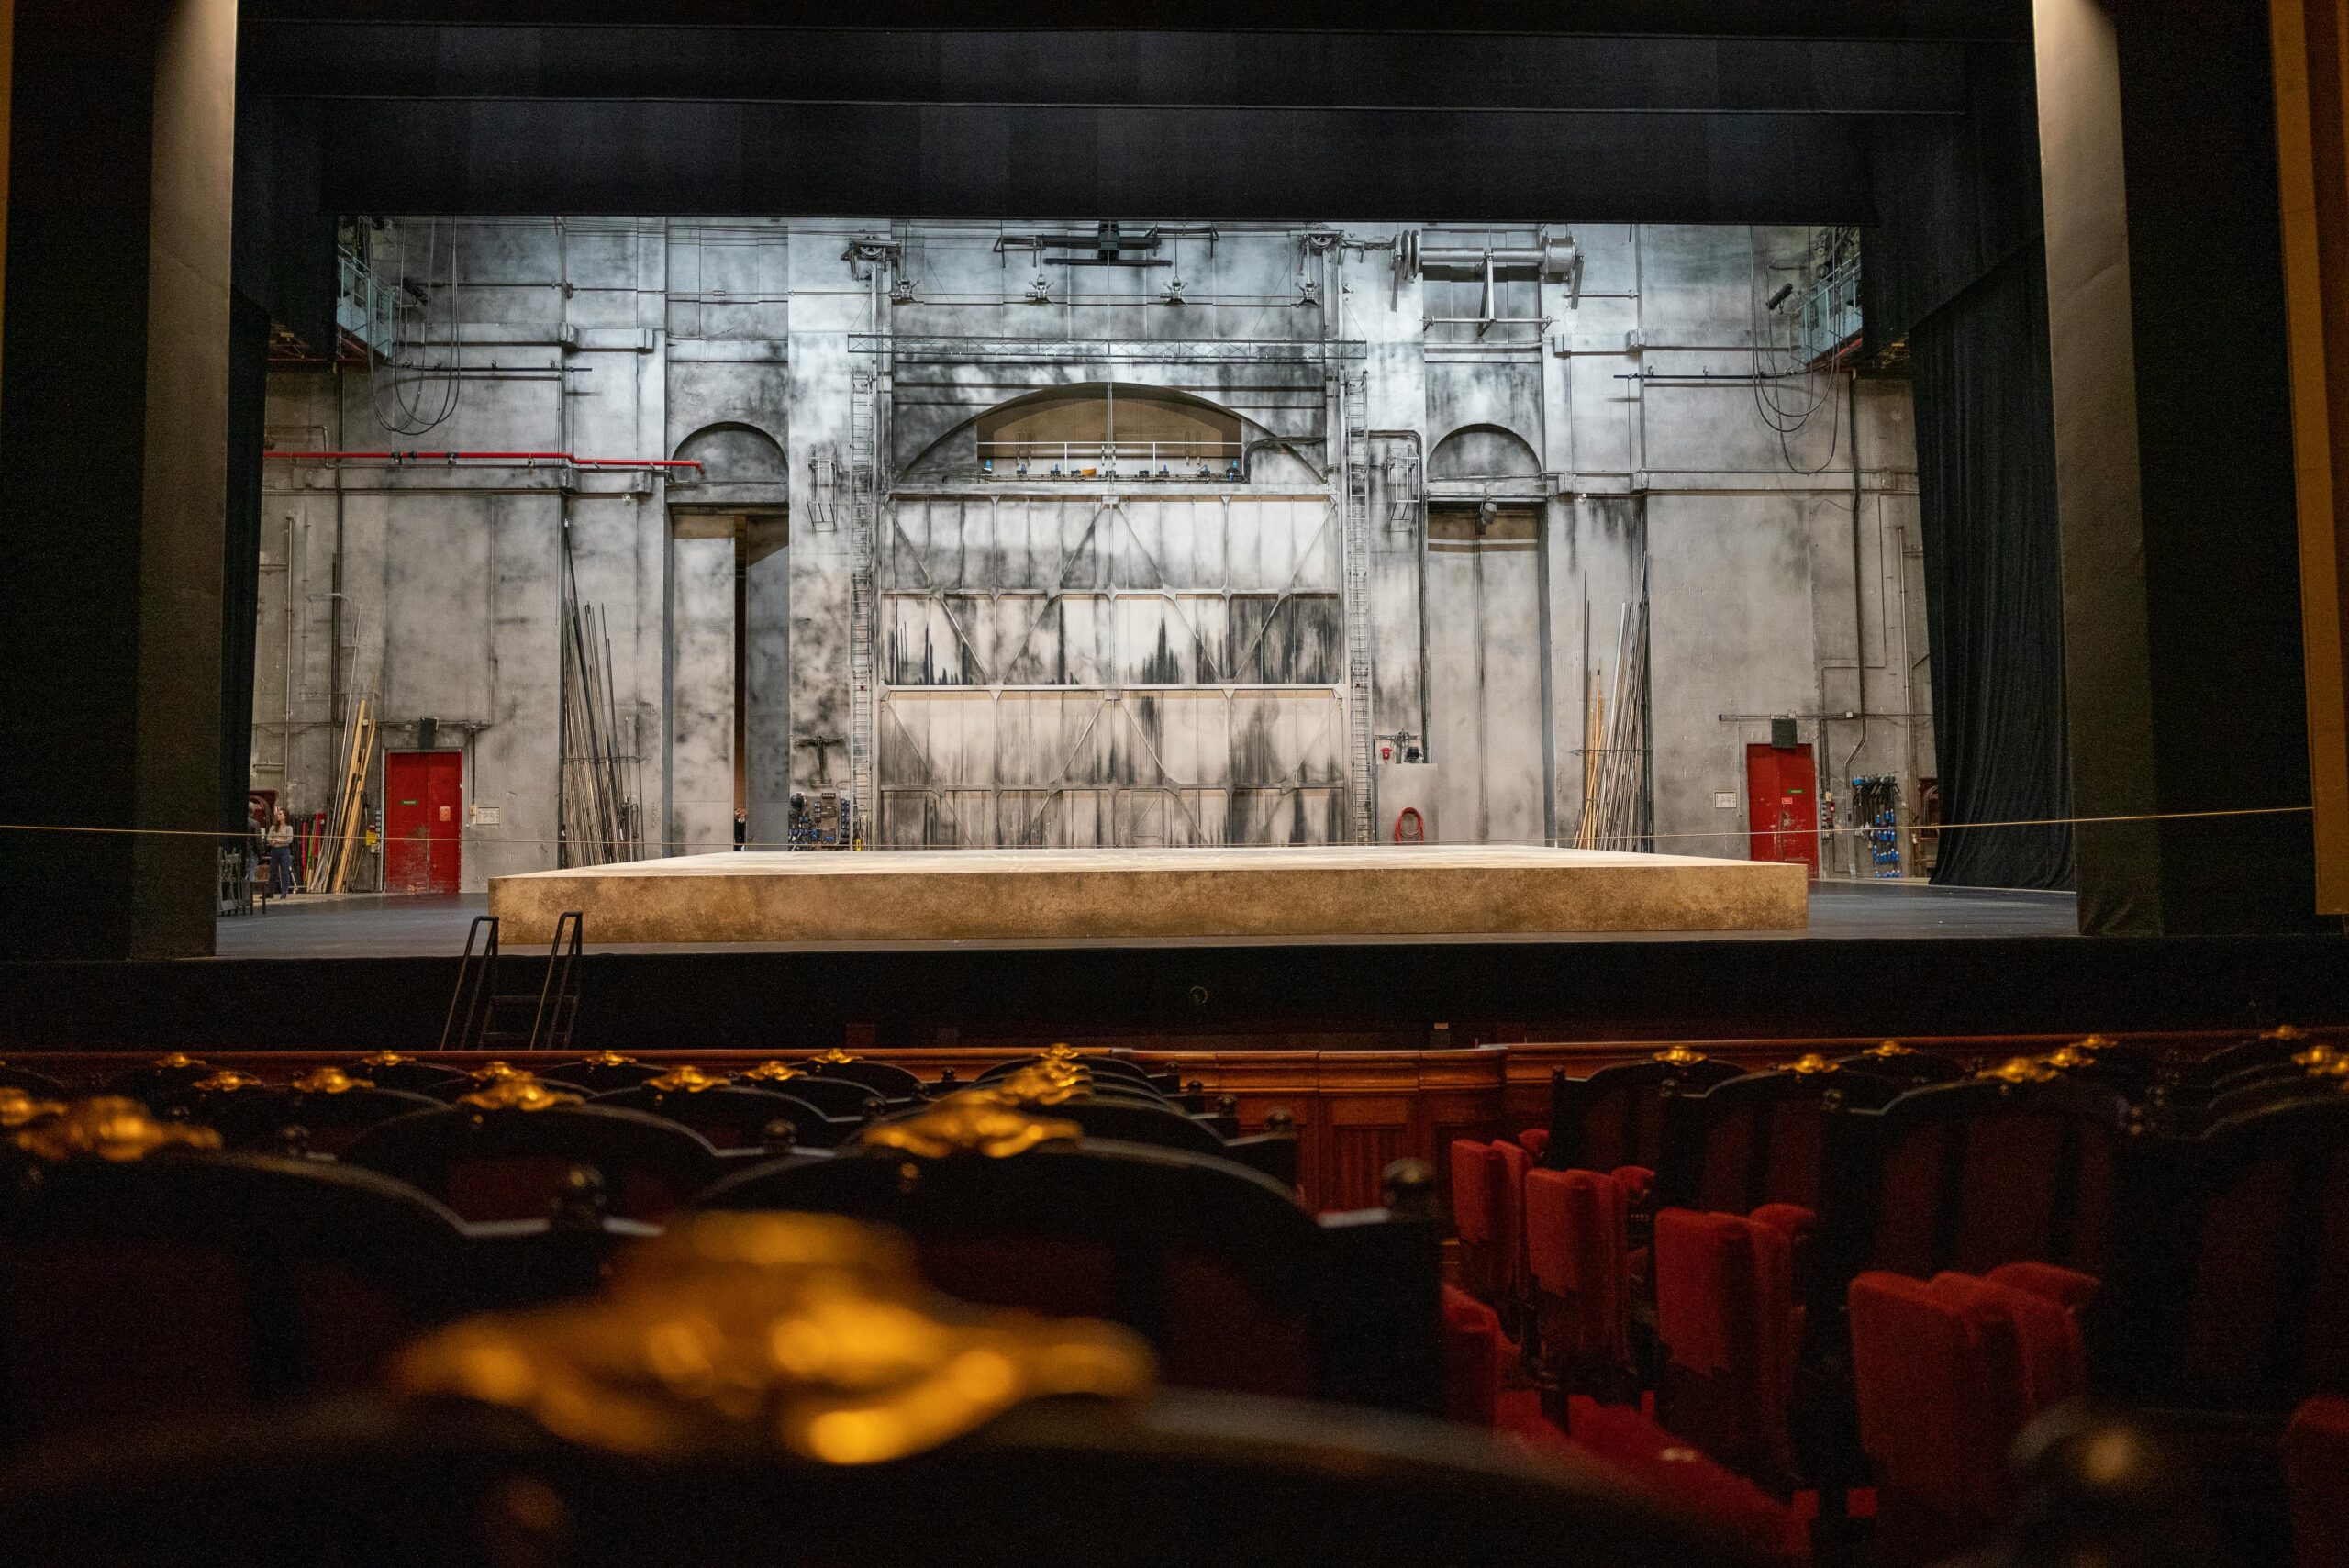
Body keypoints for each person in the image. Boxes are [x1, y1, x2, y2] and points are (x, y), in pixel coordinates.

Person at [266, 805, 297, 896]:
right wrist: (273, 842)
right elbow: (268, 838)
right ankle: (270, 892)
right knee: (272, 871)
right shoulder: (273, 827)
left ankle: (284, 891)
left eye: (280, 814)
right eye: (278, 814)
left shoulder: (289, 828)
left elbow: (289, 840)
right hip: (274, 850)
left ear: (285, 816)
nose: (278, 815)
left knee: (285, 872)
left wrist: (278, 840)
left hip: (284, 851)